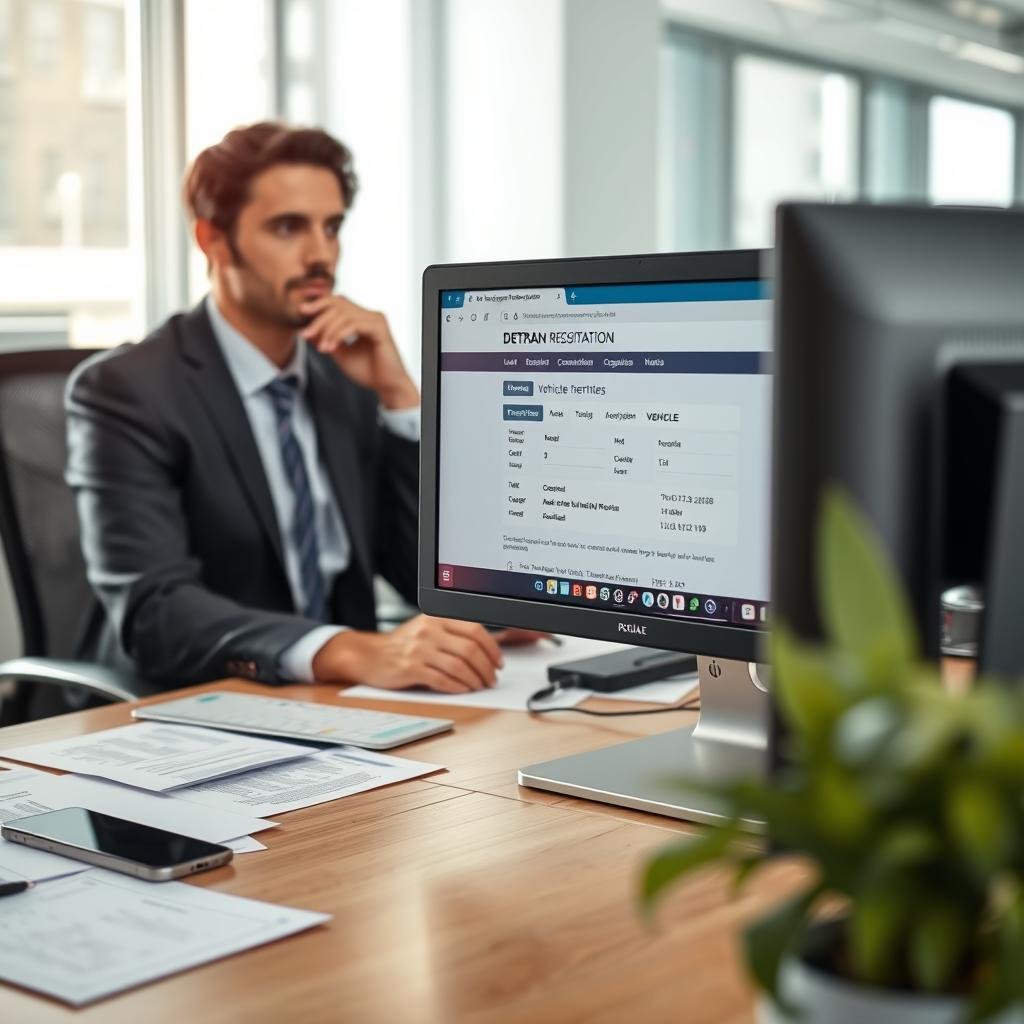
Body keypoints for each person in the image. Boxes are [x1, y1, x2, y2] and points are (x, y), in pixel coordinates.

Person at [66, 121, 525, 695]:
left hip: (349, 704)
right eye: (289, 227)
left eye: (331, 227)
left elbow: (428, 576)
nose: (320, 254)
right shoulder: (126, 390)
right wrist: (349, 649)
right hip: (194, 700)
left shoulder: (347, 375)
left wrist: (402, 399)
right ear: (212, 239)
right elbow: (157, 612)